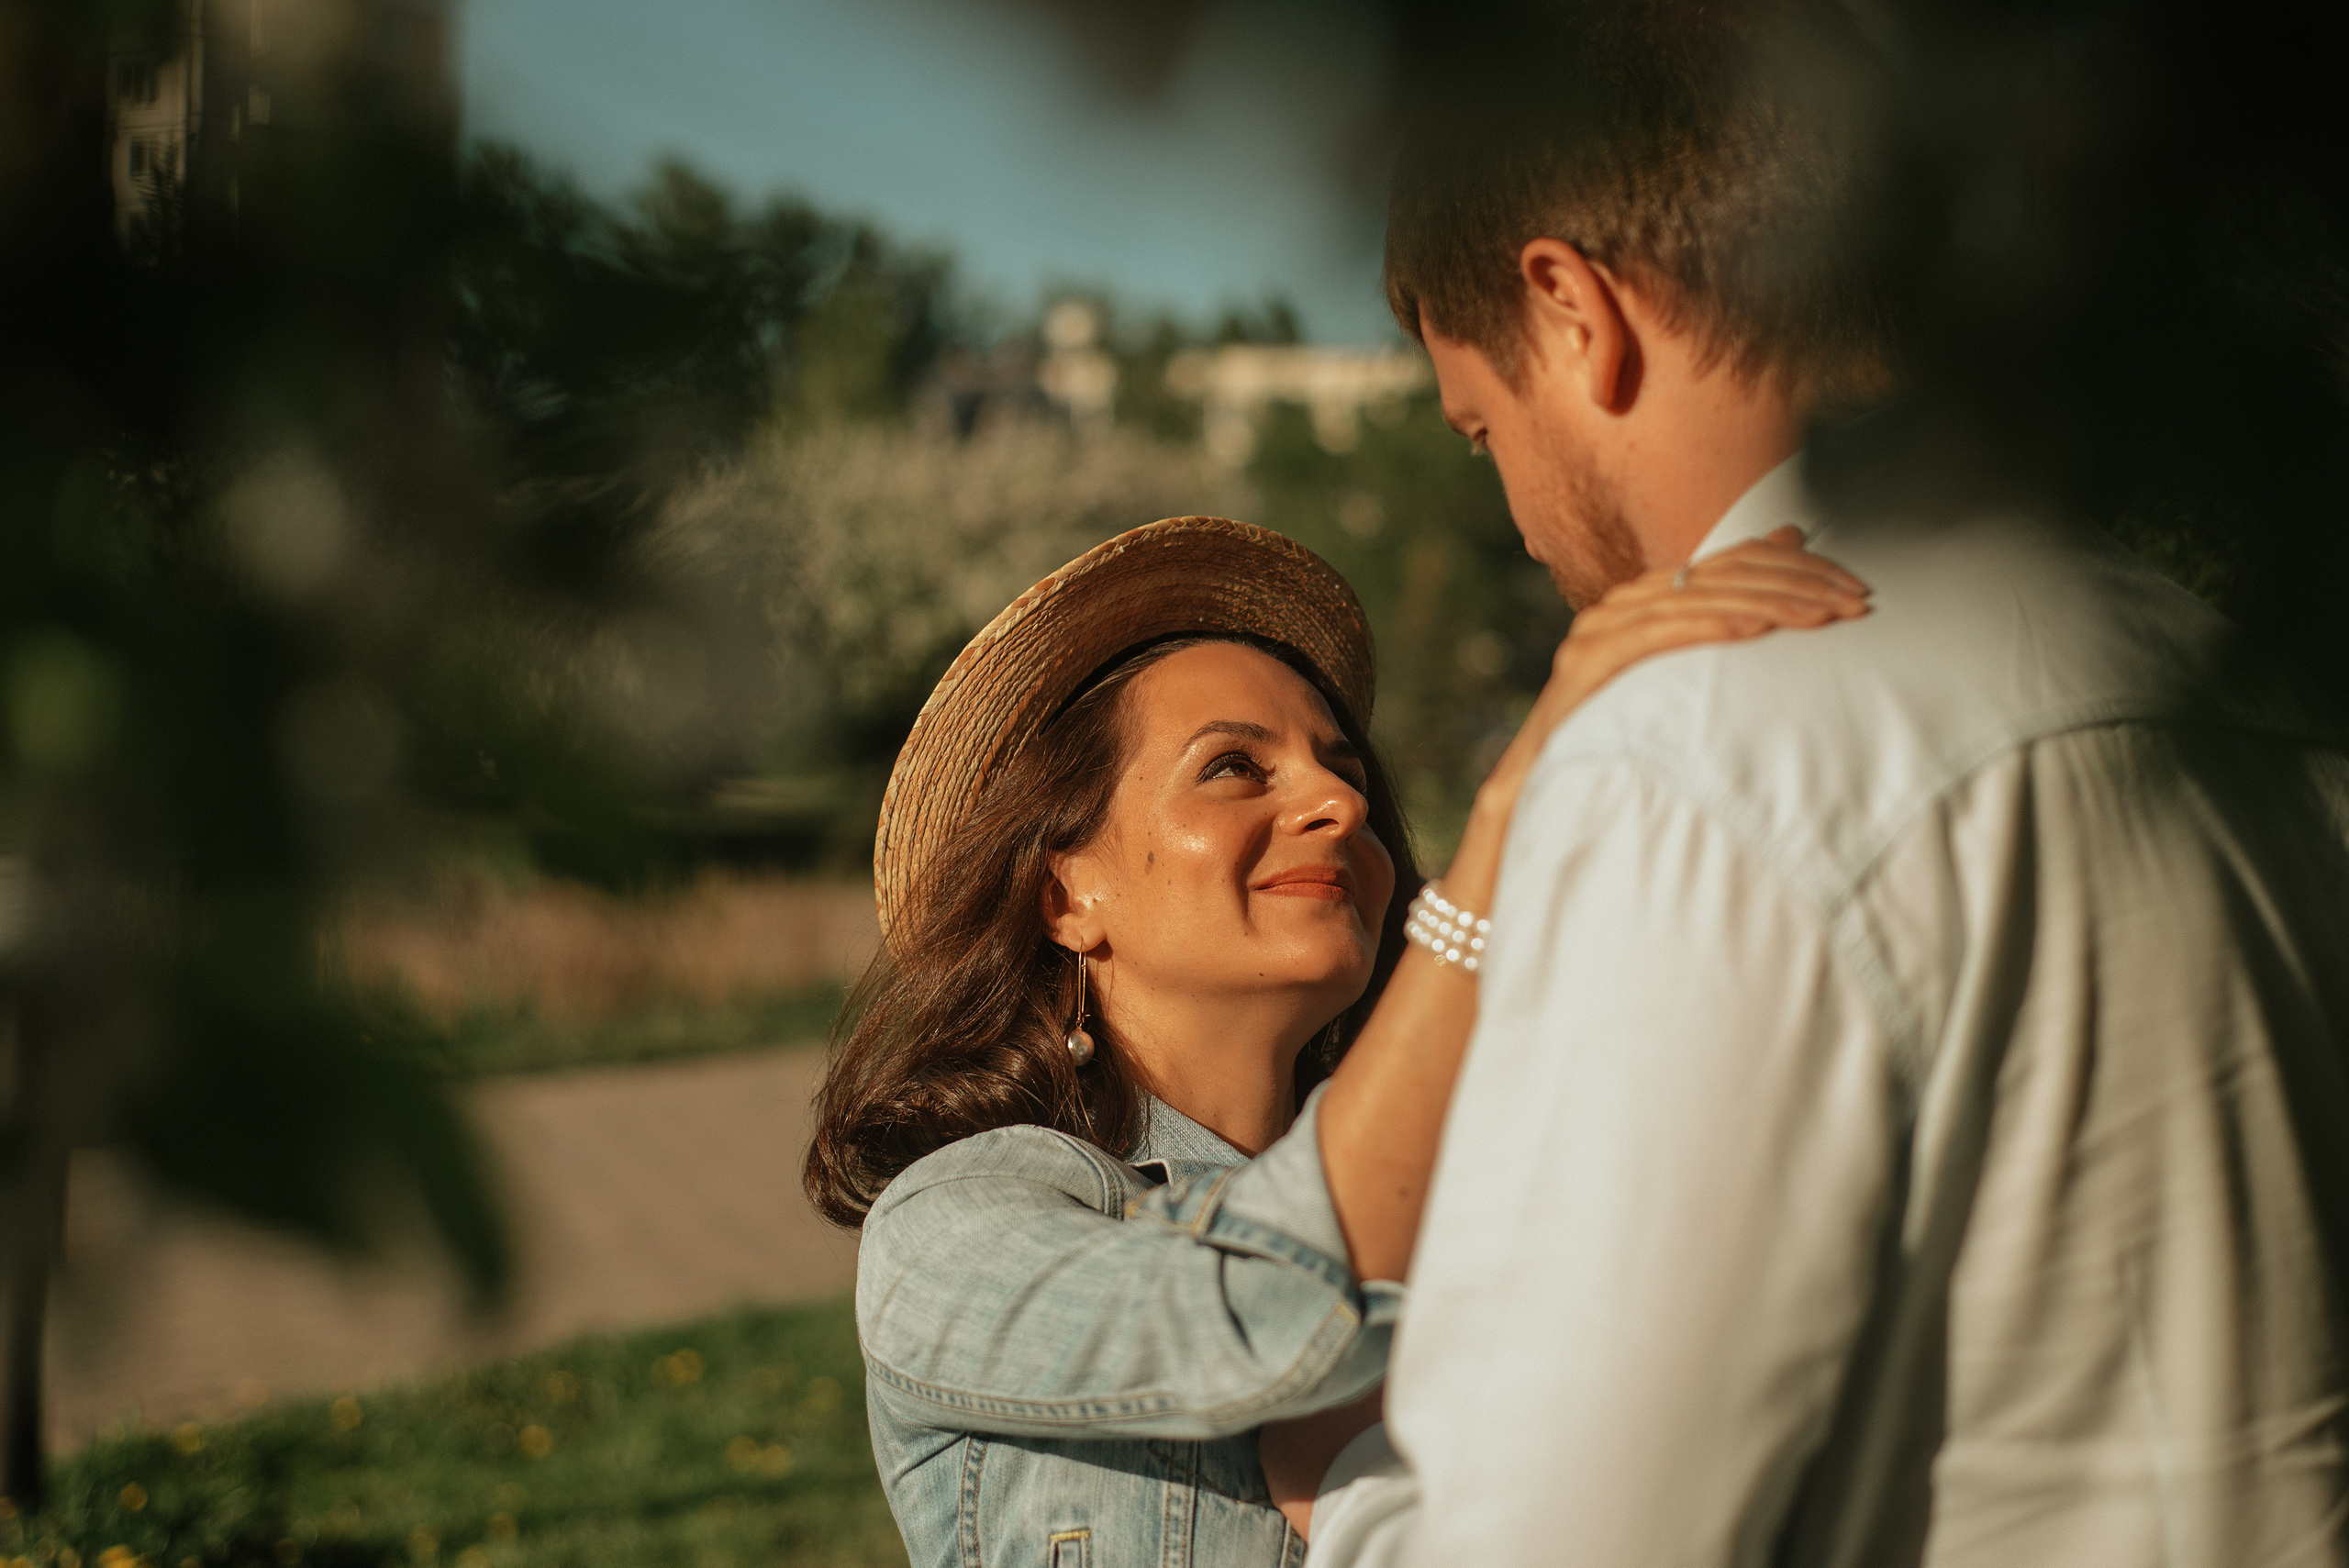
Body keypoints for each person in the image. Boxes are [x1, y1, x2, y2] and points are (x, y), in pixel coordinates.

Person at [1289, 6, 2349, 1566]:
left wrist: (1344, 1480)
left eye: (1479, 426)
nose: (1513, 508)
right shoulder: (2245, 687)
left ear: (1573, 309)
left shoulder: (1695, 752)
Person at [805, 513, 1868, 1568]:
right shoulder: (950, 1224)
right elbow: (1257, 1310)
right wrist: (1510, 818)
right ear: (1064, 893)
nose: (1335, 799)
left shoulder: (1477, 1190)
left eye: (1341, 763)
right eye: (1233, 766)